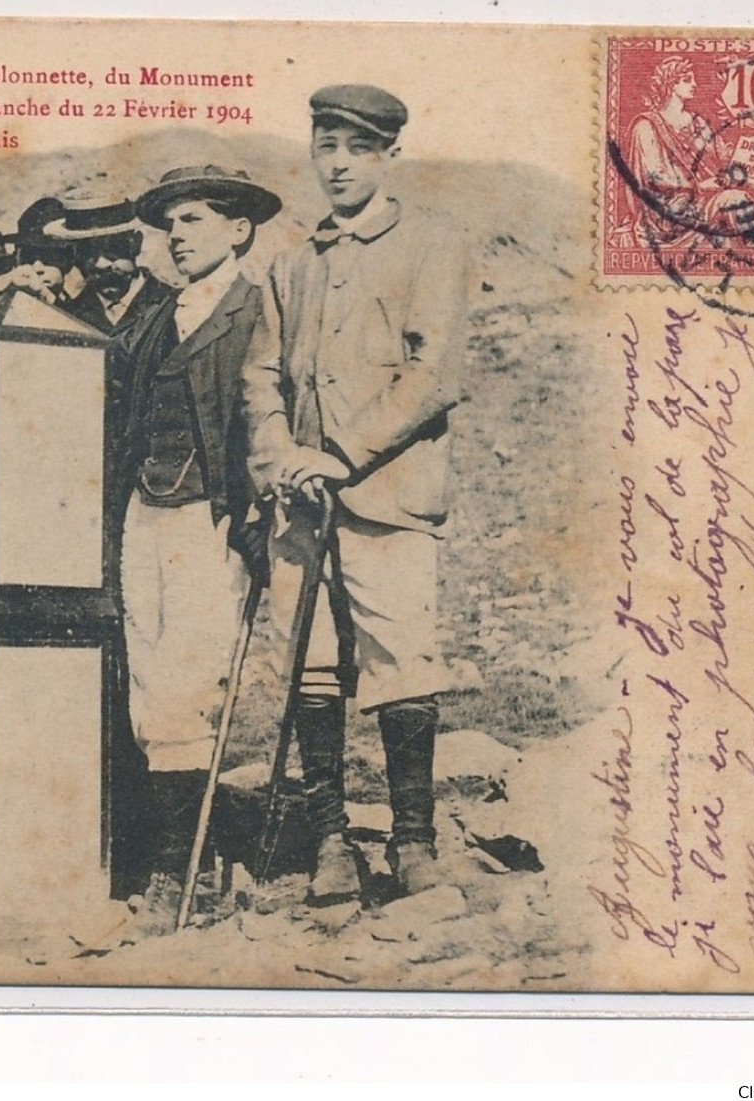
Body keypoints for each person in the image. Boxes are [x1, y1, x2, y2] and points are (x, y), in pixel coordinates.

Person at [244, 85, 472, 903]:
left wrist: (339, 454)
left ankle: (414, 841)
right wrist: (277, 454)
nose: (336, 164)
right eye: (324, 145)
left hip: (388, 496)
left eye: (354, 148)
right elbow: (261, 375)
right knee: (310, 661)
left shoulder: (431, 243)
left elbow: (433, 373)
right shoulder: (290, 262)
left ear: (387, 156)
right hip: (300, 503)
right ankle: (329, 839)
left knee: (399, 657)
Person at [111, 167, 280, 918]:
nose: (175, 238)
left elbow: (270, 414)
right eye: (168, 225)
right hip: (142, 514)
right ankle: (188, 853)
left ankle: (182, 869)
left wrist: (250, 517)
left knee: (187, 681)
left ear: (237, 229)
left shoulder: (257, 309)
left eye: (191, 222)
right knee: (147, 683)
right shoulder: (154, 317)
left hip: (209, 517)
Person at [620, 57, 754, 250]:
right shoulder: (646, 126)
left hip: (706, 195)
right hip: (672, 207)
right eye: (687, 80)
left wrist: (751, 153)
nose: (695, 84)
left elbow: (721, 155)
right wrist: (698, 186)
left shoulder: (697, 122)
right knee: (736, 199)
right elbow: (655, 178)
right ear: (672, 84)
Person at [47, 189, 174, 336]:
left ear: (136, 243)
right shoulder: (68, 317)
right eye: (87, 251)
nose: (100, 264)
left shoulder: (171, 304)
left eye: (112, 248)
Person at [4, 197, 76, 306]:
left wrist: (46, 295)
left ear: (69, 260)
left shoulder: (88, 308)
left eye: (48, 257)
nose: (37, 268)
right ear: (17, 259)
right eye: (28, 257)